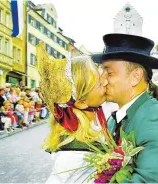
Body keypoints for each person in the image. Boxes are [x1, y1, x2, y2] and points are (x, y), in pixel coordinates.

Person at [92, 33, 158, 183]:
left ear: (135, 76)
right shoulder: (113, 120)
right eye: (102, 71)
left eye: (109, 72)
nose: (102, 79)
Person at [37, 42, 108, 183]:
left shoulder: (95, 124)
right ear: (81, 102)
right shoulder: (73, 154)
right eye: (99, 83)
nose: (105, 82)